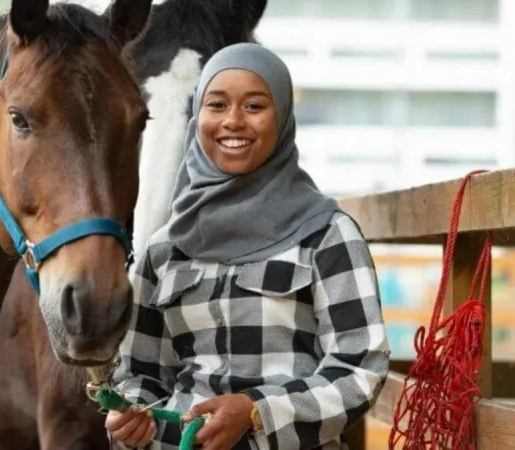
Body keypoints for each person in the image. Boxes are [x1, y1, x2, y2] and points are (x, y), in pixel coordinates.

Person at [105, 43, 390, 450]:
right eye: (217, 106)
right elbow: (141, 373)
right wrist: (130, 413)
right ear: (197, 116)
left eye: (254, 107)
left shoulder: (327, 235)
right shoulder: (163, 249)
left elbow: (359, 369)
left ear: (283, 118)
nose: (233, 122)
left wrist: (257, 412)